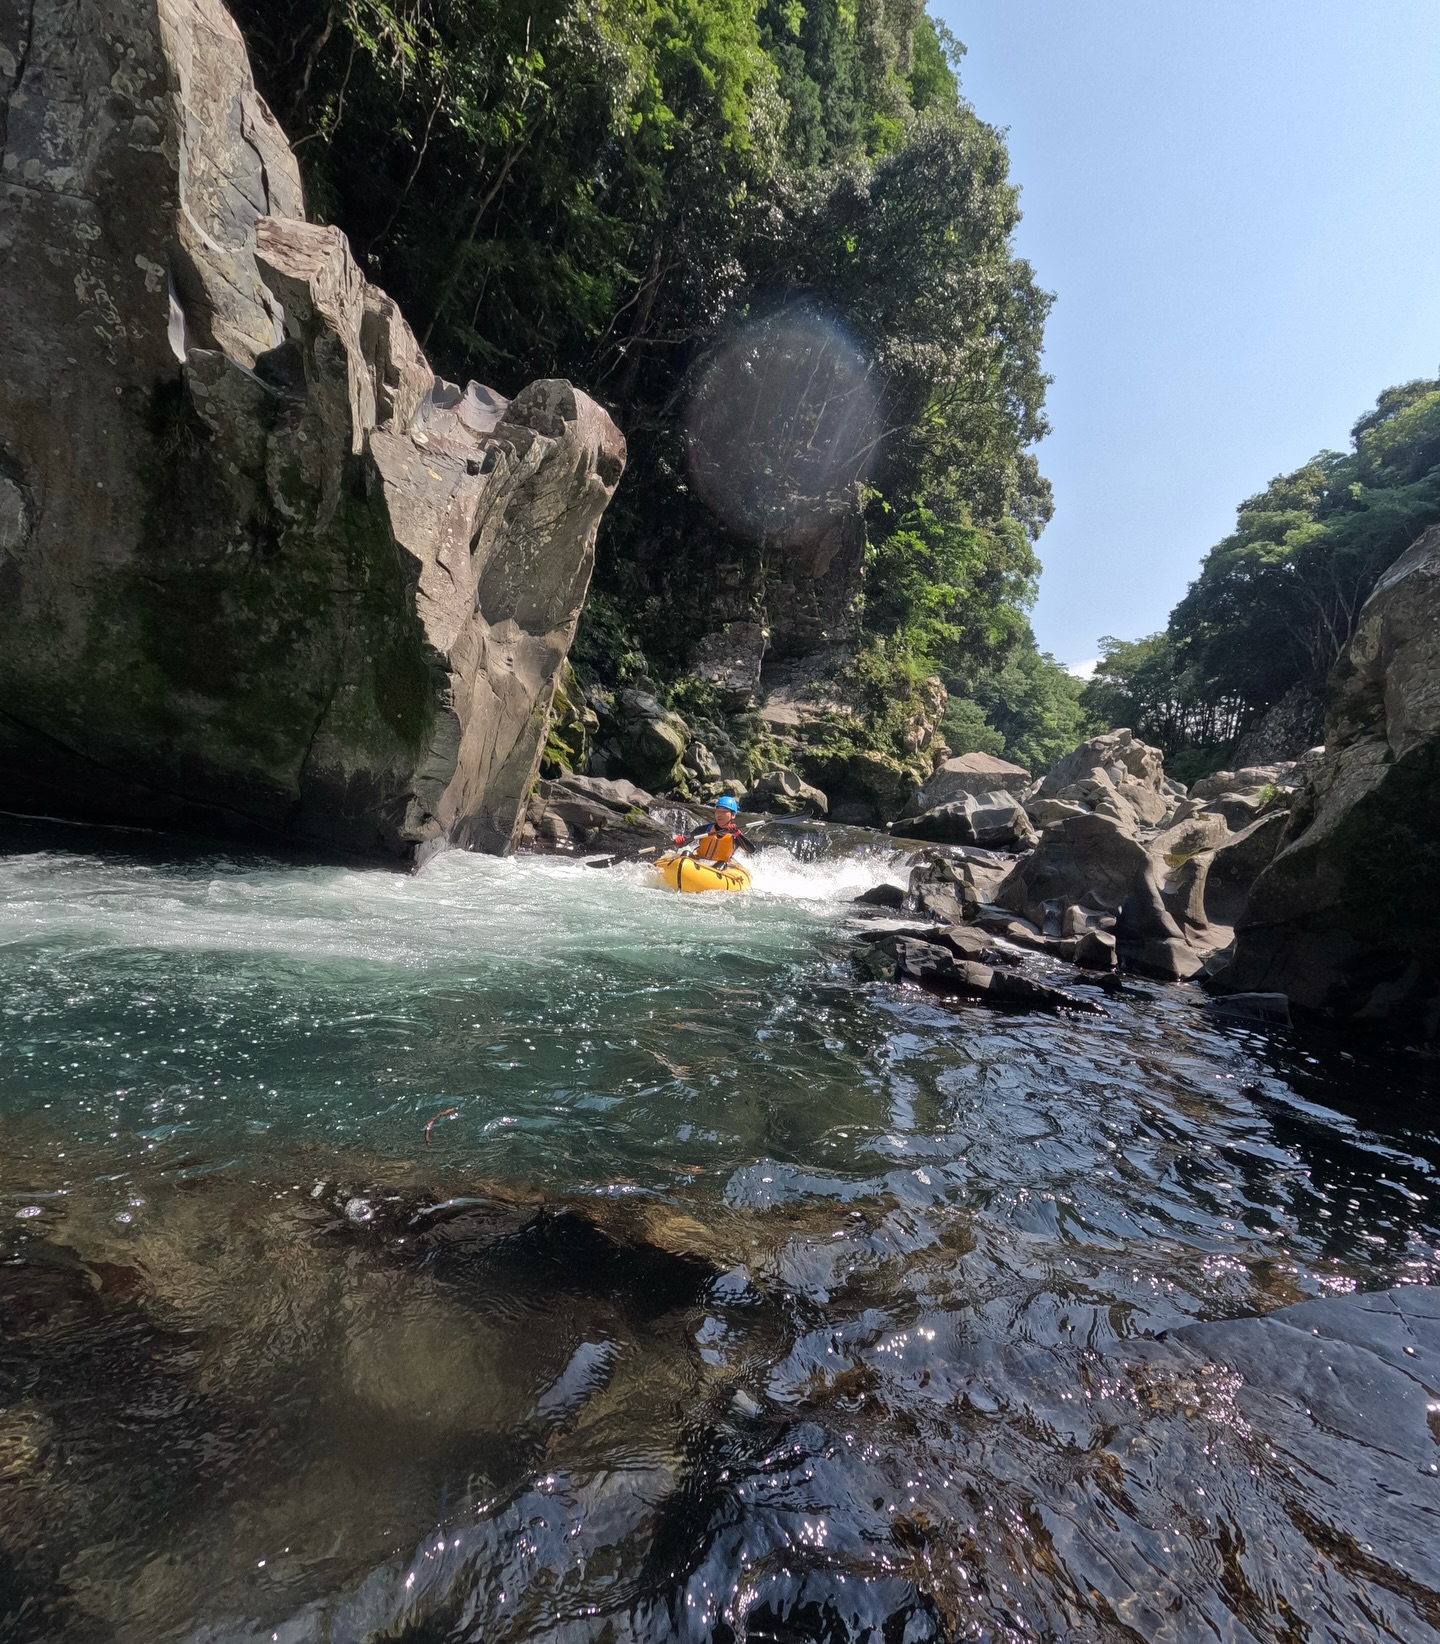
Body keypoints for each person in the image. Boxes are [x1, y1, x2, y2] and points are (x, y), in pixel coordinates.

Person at [674, 794, 758, 864]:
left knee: (721, 864)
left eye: (724, 812)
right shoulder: (706, 829)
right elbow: (687, 839)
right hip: (700, 861)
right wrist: (679, 841)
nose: (719, 815)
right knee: (686, 854)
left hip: (721, 868)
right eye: (718, 811)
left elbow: (751, 850)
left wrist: (737, 834)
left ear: (733, 815)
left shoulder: (735, 835)